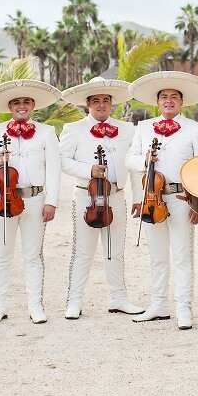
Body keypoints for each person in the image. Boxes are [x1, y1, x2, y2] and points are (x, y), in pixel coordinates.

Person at [125, 71, 198, 330]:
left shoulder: (195, 129)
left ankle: (184, 308)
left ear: (181, 102)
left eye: (174, 96)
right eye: (164, 97)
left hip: (182, 198)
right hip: (152, 199)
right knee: (157, 256)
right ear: (158, 102)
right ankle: (159, 305)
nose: (169, 100)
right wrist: (144, 160)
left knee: (183, 256)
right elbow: (129, 159)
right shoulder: (143, 127)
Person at [0, 79, 61, 325]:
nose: (21, 106)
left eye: (26, 102)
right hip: (3, 200)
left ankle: (35, 306)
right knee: (2, 254)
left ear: (33, 105)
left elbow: (54, 168)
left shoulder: (47, 132)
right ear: (10, 106)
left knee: (33, 255)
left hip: (35, 199)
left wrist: (52, 201)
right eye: (16, 102)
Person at [59, 77, 144, 319]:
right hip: (86, 196)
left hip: (115, 194)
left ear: (111, 103)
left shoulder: (127, 129)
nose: (101, 104)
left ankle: (119, 298)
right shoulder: (73, 129)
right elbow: (62, 160)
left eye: (105, 100)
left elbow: (134, 166)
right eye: (96, 100)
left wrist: (137, 197)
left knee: (114, 250)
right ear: (88, 104)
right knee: (83, 250)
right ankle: (74, 301)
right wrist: (89, 170)